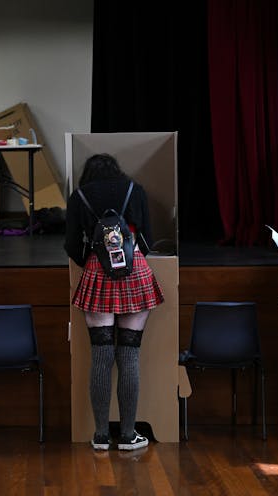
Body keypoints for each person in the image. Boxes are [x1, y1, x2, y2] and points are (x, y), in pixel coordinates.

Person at [64, 153, 164, 451]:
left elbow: (71, 244)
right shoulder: (134, 190)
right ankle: (129, 434)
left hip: (97, 273)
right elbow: (146, 238)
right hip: (134, 272)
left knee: (101, 355)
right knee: (129, 356)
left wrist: (93, 260)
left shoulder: (79, 195)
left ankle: (100, 435)